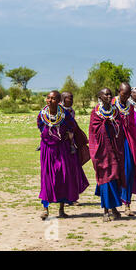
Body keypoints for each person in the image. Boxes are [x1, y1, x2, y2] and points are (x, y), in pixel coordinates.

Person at [37, 91, 89, 220]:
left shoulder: (65, 114)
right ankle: (45, 209)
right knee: (47, 177)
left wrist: (69, 135)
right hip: (48, 149)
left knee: (62, 176)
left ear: (58, 100)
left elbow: (73, 126)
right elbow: (40, 126)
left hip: (62, 148)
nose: (49, 100)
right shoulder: (42, 114)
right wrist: (46, 135)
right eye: (48, 98)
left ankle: (61, 209)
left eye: (53, 98)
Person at [113, 83, 136, 216]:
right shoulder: (112, 104)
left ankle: (127, 205)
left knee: (128, 172)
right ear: (119, 92)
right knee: (114, 173)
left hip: (127, 143)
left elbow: (132, 125)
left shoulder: (129, 107)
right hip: (113, 144)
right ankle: (113, 206)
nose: (126, 97)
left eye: (128, 94)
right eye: (124, 94)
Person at [89, 88, 125, 222]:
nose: (109, 96)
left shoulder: (115, 111)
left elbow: (119, 128)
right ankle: (105, 210)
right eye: (106, 94)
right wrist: (105, 123)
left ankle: (114, 207)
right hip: (101, 150)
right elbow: (93, 132)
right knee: (104, 178)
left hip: (114, 149)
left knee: (115, 176)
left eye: (110, 94)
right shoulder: (95, 113)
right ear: (100, 96)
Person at [60, 91, 91, 206]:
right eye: (69, 98)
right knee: (64, 171)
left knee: (73, 171)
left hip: (71, 145)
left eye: (72, 98)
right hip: (62, 145)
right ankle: (64, 197)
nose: (71, 100)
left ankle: (71, 197)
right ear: (63, 99)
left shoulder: (71, 111)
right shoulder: (59, 111)